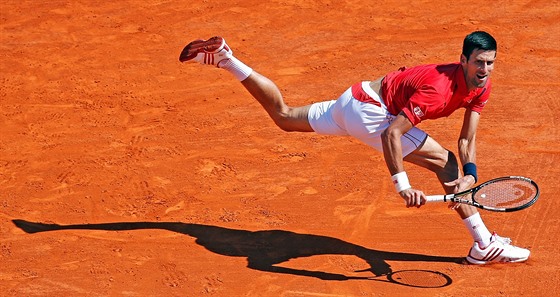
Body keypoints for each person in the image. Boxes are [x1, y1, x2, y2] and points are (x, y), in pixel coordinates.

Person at [179, 31, 530, 265]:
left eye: (490, 62)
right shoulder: (438, 89)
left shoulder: (481, 87)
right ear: (463, 60)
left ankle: (226, 59)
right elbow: (393, 134)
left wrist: (471, 176)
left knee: (284, 116)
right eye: (479, 62)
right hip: (371, 113)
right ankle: (483, 245)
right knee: (445, 163)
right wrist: (403, 185)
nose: (485, 69)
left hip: (353, 99)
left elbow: (467, 139)